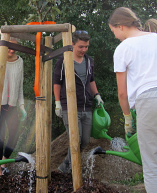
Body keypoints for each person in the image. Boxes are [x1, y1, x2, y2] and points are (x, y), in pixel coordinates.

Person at [109, 7, 157, 193]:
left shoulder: (123, 48)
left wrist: (127, 118)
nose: (115, 36)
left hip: (148, 102)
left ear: (121, 26)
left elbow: (123, 93)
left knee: (151, 162)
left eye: (113, 31)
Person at [53, 30, 104, 173]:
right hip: (69, 106)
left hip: (86, 106)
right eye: (81, 47)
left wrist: (97, 95)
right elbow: (56, 82)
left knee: (85, 140)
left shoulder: (89, 61)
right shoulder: (63, 60)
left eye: (86, 46)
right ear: (73, 45)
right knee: (76, 139)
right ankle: (69, 170)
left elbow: (91, 80)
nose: (84, 50)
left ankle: (66, 166)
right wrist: (57, 102)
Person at [0, 37, 27, 176]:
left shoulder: (20, 61)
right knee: (0, 137)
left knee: (15, 134)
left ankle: (3, 161)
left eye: (15, 46)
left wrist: (21, 105)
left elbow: (19, 85)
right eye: (9, 46)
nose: (12, 49)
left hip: (12, 105)